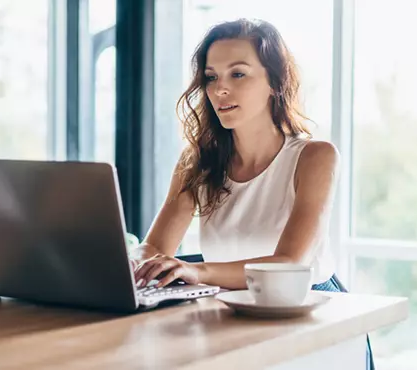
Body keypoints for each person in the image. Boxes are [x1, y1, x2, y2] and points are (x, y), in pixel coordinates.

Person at [129, 18, 374, 369]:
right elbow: (153, 248)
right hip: (233, 314)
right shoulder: (197, 161)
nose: (219, 89)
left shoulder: (315, 156)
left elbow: (289, 264)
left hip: (313, 318)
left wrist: (198, 272)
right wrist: (133, 262)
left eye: (238, 74)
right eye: (211, 77)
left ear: (275, 82)